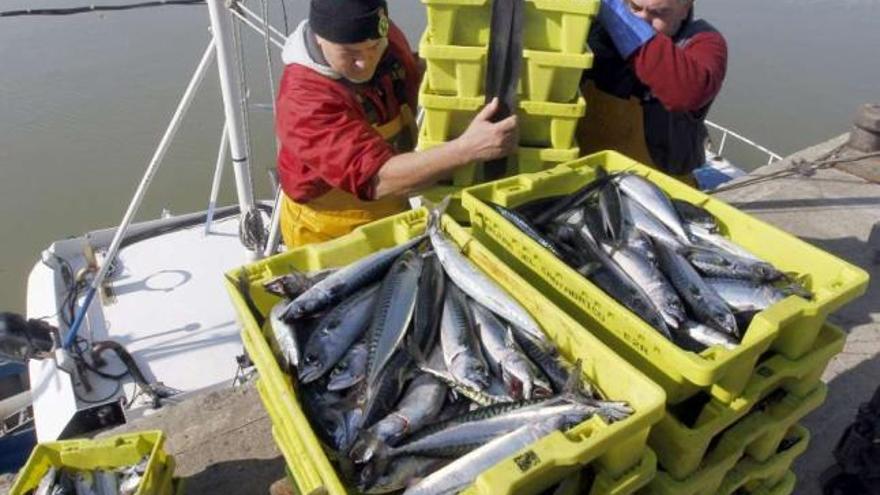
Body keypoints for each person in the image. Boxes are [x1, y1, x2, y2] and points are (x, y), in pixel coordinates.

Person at [275, 0, 517, 249]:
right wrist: (469, 148)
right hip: (329, 230)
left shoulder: (387, 38)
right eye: (350, 53)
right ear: (318, 39)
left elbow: (415, 70)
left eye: (374, 47)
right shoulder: (304, 100)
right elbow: (379, 180)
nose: (365, 63)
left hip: (395, 209)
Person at [577, 0, 728, 184]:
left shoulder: (705, 43)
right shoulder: (595, 29)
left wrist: (627, 26)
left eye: (659, 13)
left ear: (685, 8)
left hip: (659, 187)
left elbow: (686, 93)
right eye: (635, 8)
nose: (642, 20)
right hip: (581, 173)